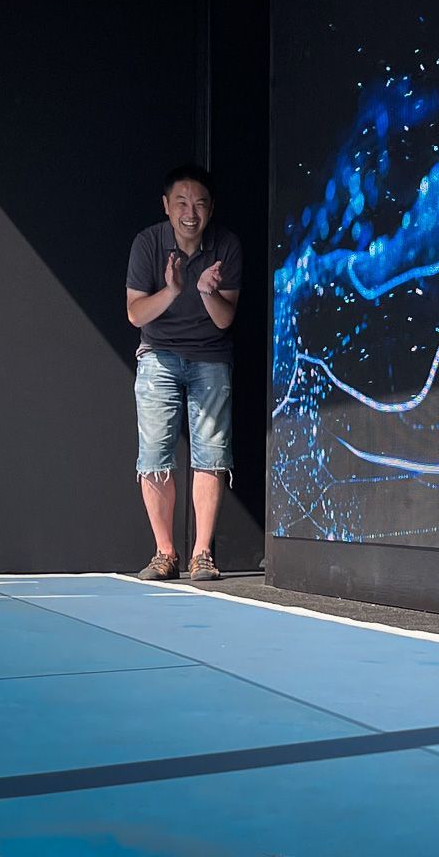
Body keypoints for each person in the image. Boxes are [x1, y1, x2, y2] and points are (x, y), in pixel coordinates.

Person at [124, 164, 243, 582]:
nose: (190, 213)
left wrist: (206, 291)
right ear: (166, 206)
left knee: (211, 452)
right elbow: (136, 313)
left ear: (210, 210)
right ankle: (164, 552)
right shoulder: (148, 244)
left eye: (199, 204)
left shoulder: (226, 245)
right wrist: (172, 291)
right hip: (158, 354)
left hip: (210, 356)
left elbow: (225, 320)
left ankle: (202, 554)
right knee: (155, 454)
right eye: (181, 203)